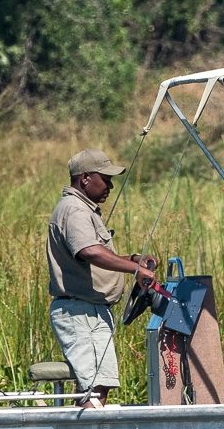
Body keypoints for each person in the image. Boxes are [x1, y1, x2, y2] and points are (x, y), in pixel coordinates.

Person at [47, 148, 156, 408]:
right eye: (105, 179)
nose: (110, 185)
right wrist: (136, 271)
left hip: (90, 311)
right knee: (92, 391)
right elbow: (89, 251)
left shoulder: (84, 210)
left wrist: (132, 260)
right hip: (80, 313)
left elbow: (95, 253)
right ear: (85, 178)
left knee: (98, 387)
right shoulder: (75, 210)